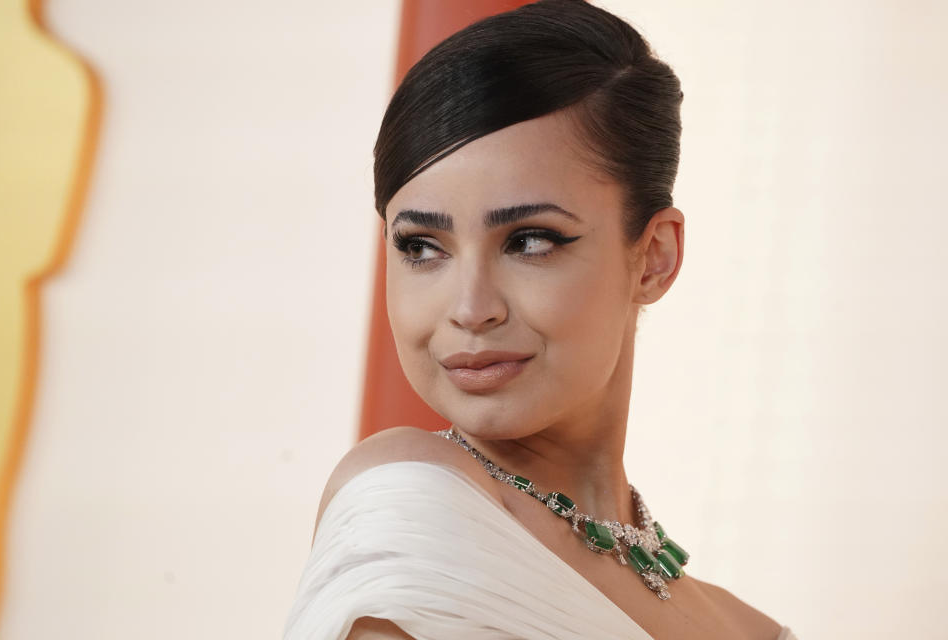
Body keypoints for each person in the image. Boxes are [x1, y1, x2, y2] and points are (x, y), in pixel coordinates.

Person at [284, 1, 796, 638]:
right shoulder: (409, 505)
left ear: (654, 258)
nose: (471, 309)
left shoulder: (752, 629)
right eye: (421, 247)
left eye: (530, 241)